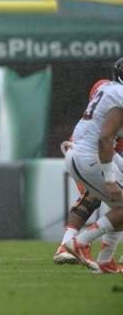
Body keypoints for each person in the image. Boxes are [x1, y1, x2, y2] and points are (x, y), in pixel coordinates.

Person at [63, 57, 123, 274]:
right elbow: (105, 138)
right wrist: (109, 179)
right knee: (121, 208)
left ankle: (106, 261)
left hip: (83, 152)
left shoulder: (109, 87)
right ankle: (79, 243)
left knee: (119, 208)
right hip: (89, 156)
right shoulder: (120, 95)